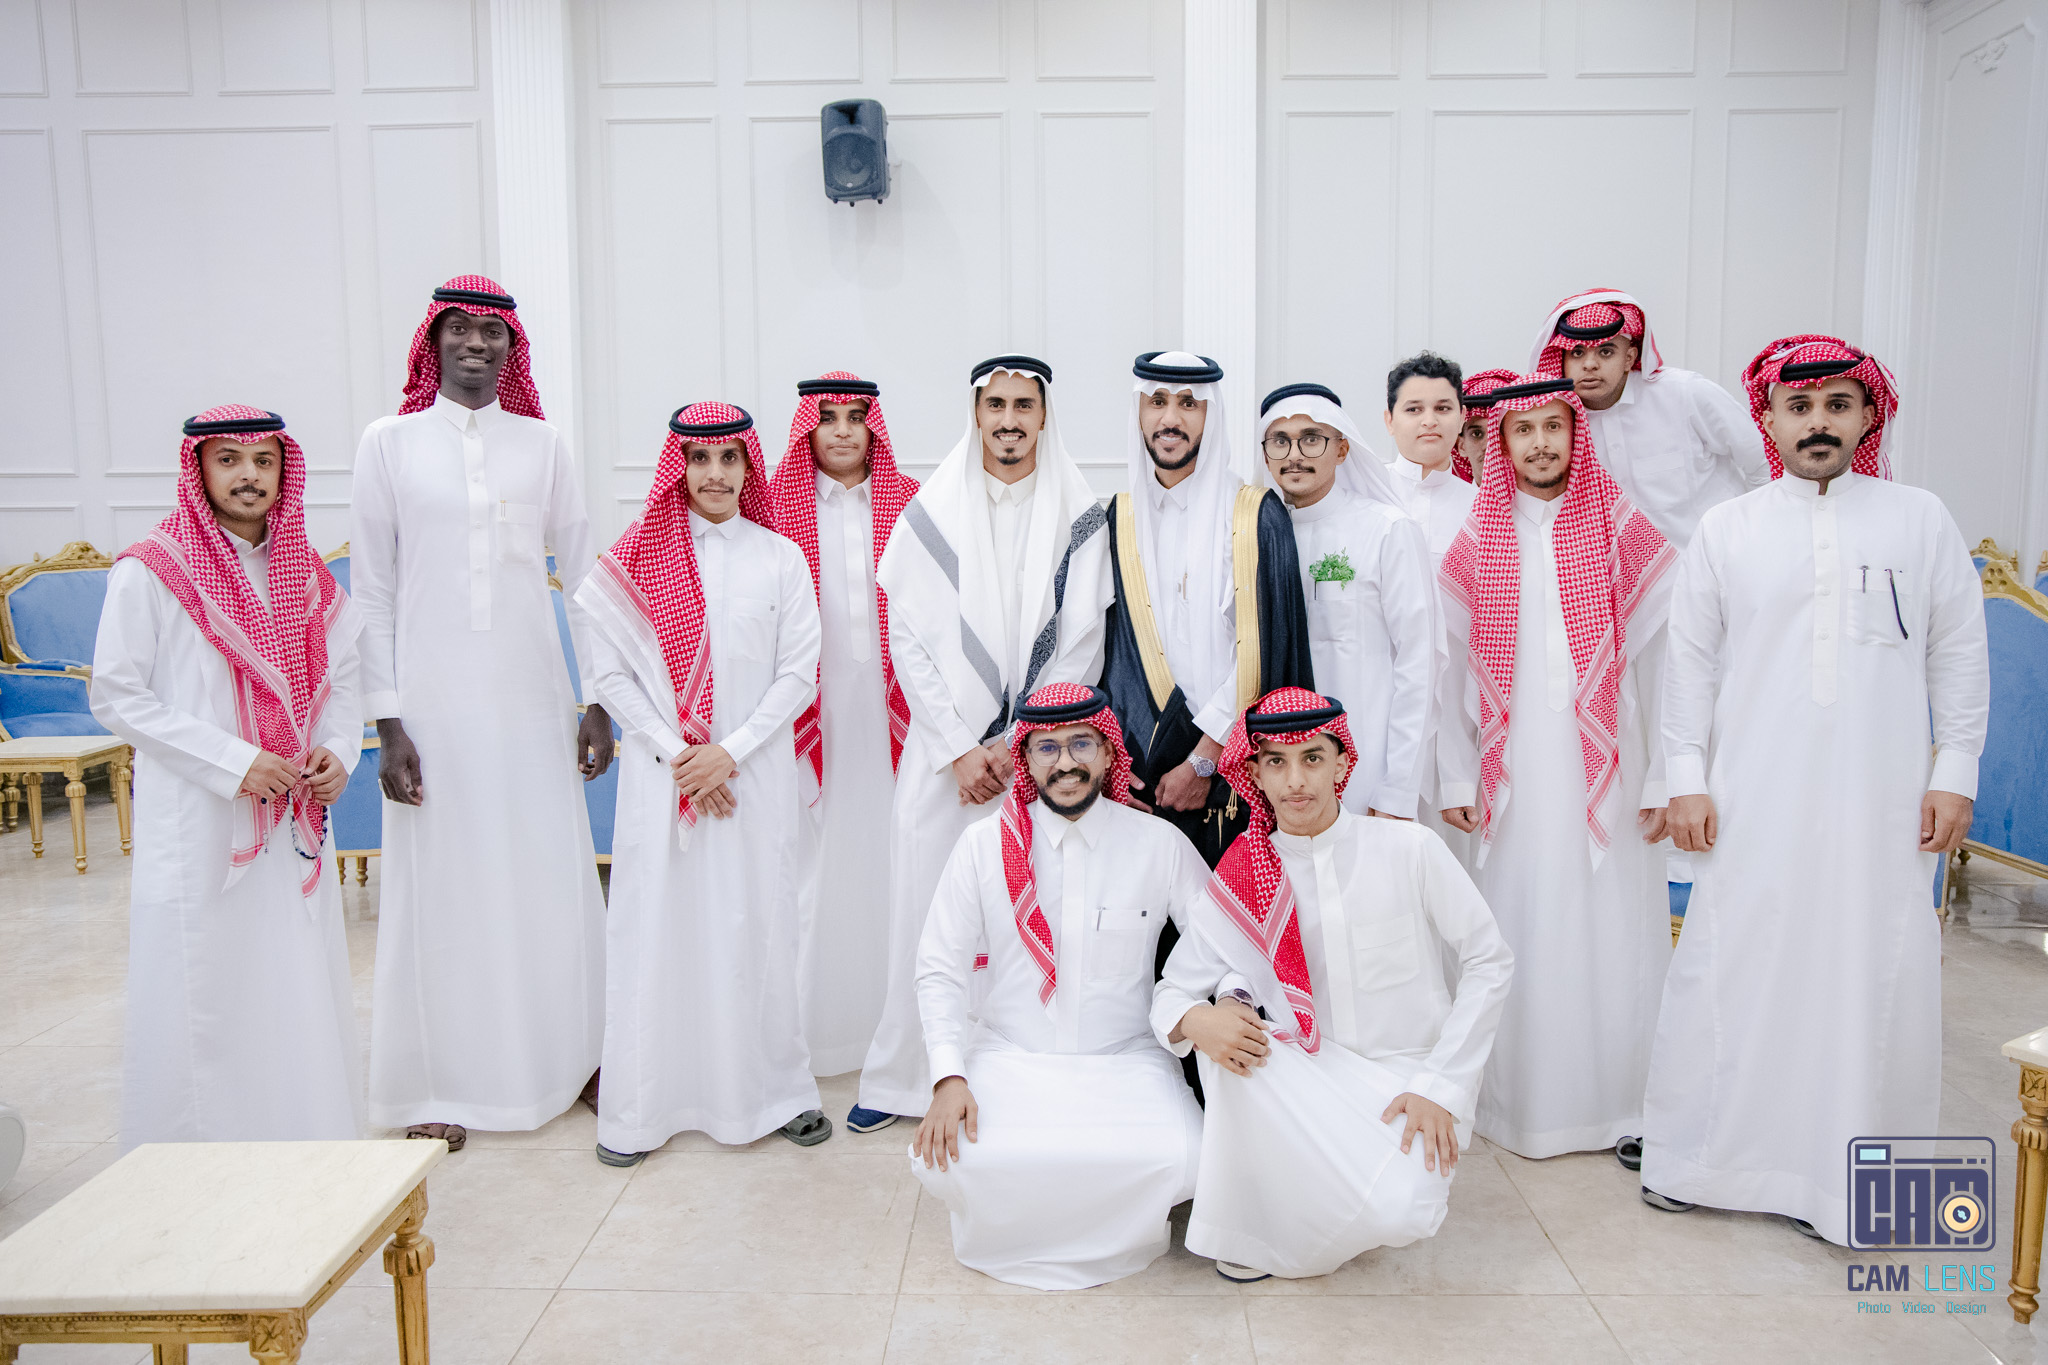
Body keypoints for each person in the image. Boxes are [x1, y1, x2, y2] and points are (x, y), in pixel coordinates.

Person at [1639, 336, 1988, 1242]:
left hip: (1883, 796)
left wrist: (1954, 771)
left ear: (1869, 415)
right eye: (1800, 408)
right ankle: (1702, 1160)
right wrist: (1687, 778)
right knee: (1734, 957)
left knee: (1873, 968)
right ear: (1769, 419)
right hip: (1752, 792)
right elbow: (1690, 667)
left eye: (1838, 404)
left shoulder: (1920, 518)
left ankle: (1850, 1187)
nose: (1819, 422)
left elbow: (1958, 652)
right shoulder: (1730, 528)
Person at [352, 276, 610, 1150]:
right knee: (442, 888)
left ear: (511, 347)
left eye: (491, 331)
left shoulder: (542, 445)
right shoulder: (388, 444)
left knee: (549, 876)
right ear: (434, 341)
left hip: (533, 700)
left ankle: (579, 1057)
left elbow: (584, 578)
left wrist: (598, 697)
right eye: (458, 328)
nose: (475, 342)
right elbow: (372, 589)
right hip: (432, 708)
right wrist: (387, 721)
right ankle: (436, 1080)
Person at [1153, 687, 1513, 1282]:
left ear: (1343, 764)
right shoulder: (1244, 875)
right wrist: (1196, 1020)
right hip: (1305, 1085)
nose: (1296, 780)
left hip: (1406, 1083)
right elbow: (1170, 993)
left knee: (1404, 1212)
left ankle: (1298, 1209)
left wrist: (1442, 1086)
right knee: (1228, 1036)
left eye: (1312, 759)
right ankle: (1260, 1229)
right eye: (1276, 762)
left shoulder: (1409, 848)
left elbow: (1489, 961)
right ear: (1255, 774)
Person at [853, 355, 1114, 1131]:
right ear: (975, 414)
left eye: (1022, 406)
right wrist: (960, 748)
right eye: (995, 405)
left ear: (1044, 415)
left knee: (1021, 916)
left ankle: (1007, 1076)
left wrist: (1020, 741)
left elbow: (1083, 643)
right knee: (924, 913)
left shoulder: (1080, 513)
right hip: (944, 765)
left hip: (1036, 763)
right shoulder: (930, 513)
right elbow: (908, 640)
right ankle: (907, 1075)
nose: (1008, 420)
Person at [92, 406, 363, 1146]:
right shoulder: (152, 569)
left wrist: (337, 750)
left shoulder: (306, 575)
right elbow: (117, 695)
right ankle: (200, 1161)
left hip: (293, 818)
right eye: (230, 460)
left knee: (293, 982)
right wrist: (235, 763)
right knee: (206, 986)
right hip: (200, 817)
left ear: (284, 471)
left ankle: (305, 1141)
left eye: (264, 461)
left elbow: (342, 679)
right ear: (199, 469)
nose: (249, 475)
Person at [577, 403, 827, 1162]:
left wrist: (731, 753)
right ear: (678, 467)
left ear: (750, 466)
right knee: (657, 932)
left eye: (729, 458)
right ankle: (641, 1110)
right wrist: (680, 756)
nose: (714, 474)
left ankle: (776, 1093)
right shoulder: (634, 558)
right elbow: (608, 677)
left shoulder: (781, 557)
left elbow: (798, 673)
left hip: (754, 778)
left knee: (760, 928)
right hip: (663, 783)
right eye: (699, 459)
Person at [1438, 376, 1678, 1162]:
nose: (1540, 443)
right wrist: (1455, 774)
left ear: (1577, 434)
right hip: (1511, 777)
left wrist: (1663, 777)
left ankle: (1622, 1104)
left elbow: (1663, 662)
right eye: (1523, 430)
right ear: (1501, 444)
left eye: (1554, 427)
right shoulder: (1479, 537)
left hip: (1613, 769)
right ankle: (1520, 1109)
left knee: (1614, 930)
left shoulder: (1620, 525)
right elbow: (1448, 671)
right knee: (1519, 924)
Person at [909, 683, 1207, 1290]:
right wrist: (948, 1077)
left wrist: (1190, 1006)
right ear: (1024, 757)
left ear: (1108, 751)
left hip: (1124, 1060)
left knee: (1185, 1157)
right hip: (1011, 1054)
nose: (1065, 762)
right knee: (950, 1157)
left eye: (1081, 744)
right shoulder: (982, 846)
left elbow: (1219, 942)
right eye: (1047, 748)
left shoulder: (1158, 844)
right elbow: (940, 967)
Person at [762, 373, 918, 1078]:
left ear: (874, 427)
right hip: (808, 719)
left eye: (857, 416)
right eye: (828, 418)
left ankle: (895, 1026)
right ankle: (814, 1036)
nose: (844, 430)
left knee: (893, 859)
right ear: (808, 428)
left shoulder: (912, 503)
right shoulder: (775, 506)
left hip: (895, 718)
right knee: (811, 871)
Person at [1102, 351, 1313, 867]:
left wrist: (1204, 761)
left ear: (1210, 415)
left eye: (1188, 404)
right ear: (1139, 413)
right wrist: (1112, 762)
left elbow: (1270, 649)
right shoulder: (1118, 518)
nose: (1170, 418)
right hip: (1141, 776)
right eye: (1157, 402)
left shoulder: (1256, 515)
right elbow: (1107, 654)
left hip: (1229, 774)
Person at [1259, 383, 1436, 821]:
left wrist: (1397, 789)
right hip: (1280, 772)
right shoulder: (1255, 539)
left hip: (1368, 769)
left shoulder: (1386, 529)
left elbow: (1419, 663)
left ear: (1341, 449)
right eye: (1280, 441)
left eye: (1311, 439)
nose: (1294, 455)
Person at [1528, 288, 1770, 550]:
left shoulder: (1685, 393)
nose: (1589, 364)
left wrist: (1755, 537)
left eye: (1605, 352)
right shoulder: (1557, 425)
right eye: (1577, 353)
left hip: (1717, 558)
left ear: (1629, 358)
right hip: (1627, 572)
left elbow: (1762, 462)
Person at [1456, 369, 1520, 487]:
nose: (1489, 446)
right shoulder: (1448, 499)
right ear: (1461, 446)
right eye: (1477, 434)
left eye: (1499, 432)